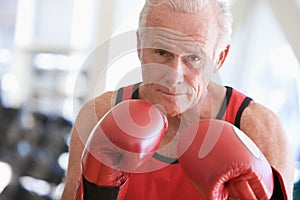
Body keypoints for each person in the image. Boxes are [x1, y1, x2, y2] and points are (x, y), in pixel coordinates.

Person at [61, 0, 295, 199]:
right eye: (161, 52)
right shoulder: (101, 115)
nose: (173, 76)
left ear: (219, 58)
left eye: (194, 57)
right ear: (140, 45)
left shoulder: (259, 128)